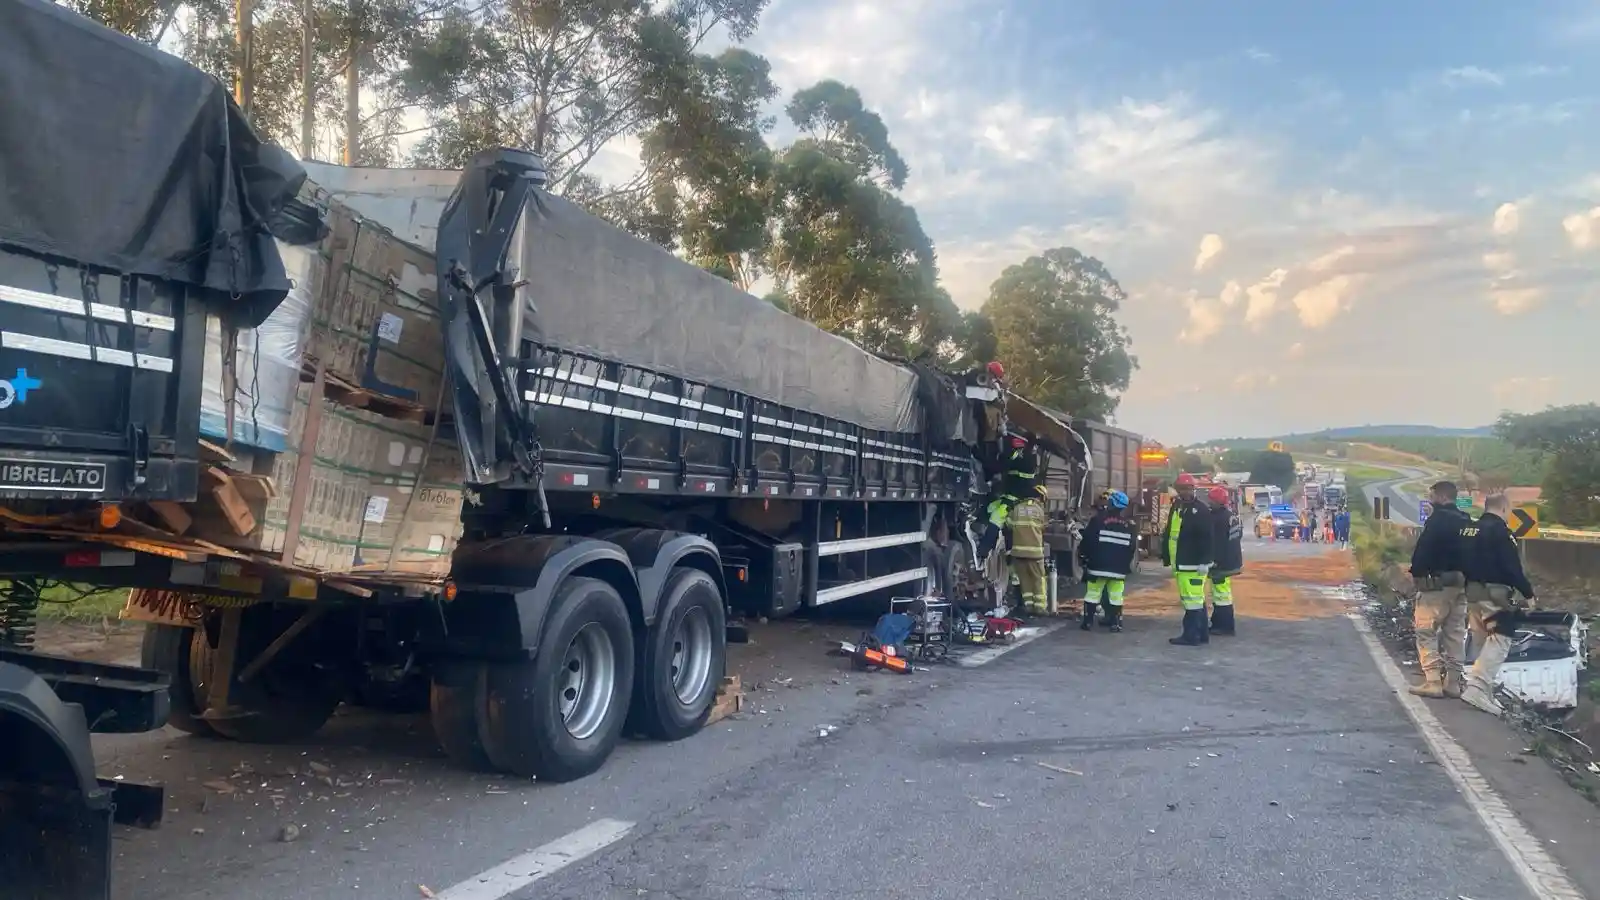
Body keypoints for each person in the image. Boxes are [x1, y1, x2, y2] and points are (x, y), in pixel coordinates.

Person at [1458, 493, 1537, 715]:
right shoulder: (1501, 532)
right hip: (1494, 594)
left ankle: (1485, 693)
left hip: (1472, 592)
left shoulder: (1469, 530)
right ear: (1503, 508)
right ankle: (1477, 687)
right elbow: (1512, 567)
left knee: (1483, 640)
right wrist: (1528, 593)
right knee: (1500, 639)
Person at [1408, 481, 1472, 699]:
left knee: (1426, 631)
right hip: (1461, 586)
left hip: (1436, 586)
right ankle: (1453, 683)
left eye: (1432, 495)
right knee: (1455, 634)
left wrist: (1416, 574)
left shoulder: (1437, 521)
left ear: (1442, 497)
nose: (1430, 499)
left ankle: (1433, 681)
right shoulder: (1466, 521)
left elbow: (1423, 552)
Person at [1161, 473, 1214, 646]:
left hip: (1193, 564)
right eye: (1182, 489)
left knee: (1192, 602)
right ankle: (1202, 634)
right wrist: (1167, 557)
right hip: (1181, 563)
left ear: (1193, 489)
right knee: (1195, 600)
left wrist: (1205, 561)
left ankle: (1191, 636)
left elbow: (1208, 537)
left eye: (1188, 488)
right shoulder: (1177, 507)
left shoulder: (1201, 510)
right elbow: (1170, 532)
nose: (1185, 492)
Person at [1079, 490, 1136, 633]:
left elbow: (1087, 541)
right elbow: (1131, 548)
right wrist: (1124, 564)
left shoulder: (1097, 520)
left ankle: (1088, 622)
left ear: (1111, 503)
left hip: (1097, 566)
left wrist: (1084, 557)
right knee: (1116, 596)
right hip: (1118, 569)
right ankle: (1116, 623)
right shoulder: (1129, 525)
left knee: (1093, 593)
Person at [1205, 486, 1243, 636]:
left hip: (1222, 564)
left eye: (1211, 500)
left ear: (1217, 501)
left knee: (1221, 596)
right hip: (1232, 561)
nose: (1209, 502)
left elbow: (1218, 543)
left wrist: (1214, 561)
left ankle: (1223, 626)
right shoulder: (1230, 516)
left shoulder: (1217, 519)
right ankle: (1219, 623)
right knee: (1222, 594)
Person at [1008, 483, 1049, 616]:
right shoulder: (1039, 510)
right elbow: (1044, 527)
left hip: (1018, 552)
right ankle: (1040, 608)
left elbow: (1009, 524)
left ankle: (1029, 607)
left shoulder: (1017, 508)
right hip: (1035, 553)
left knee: (1024, 579)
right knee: (1038, 579)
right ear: (1041, 497)